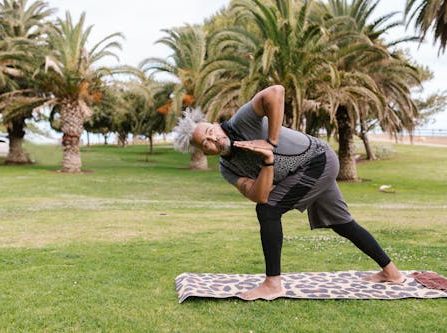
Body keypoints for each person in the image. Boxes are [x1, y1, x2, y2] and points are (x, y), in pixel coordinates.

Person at [173, 85, 404, 301]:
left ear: (215, 123)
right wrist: (268, 160)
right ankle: (392, 273)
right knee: (341, 222)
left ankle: (273, 284)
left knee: (268, 212)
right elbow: (259, 195)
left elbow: (276, 91)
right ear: (206, 152)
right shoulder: (228, 169)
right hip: (311, 168)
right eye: (206, 143)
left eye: (210, 131)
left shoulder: (241, 121)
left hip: (317, 159)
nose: (213, 139)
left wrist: (270, 143)